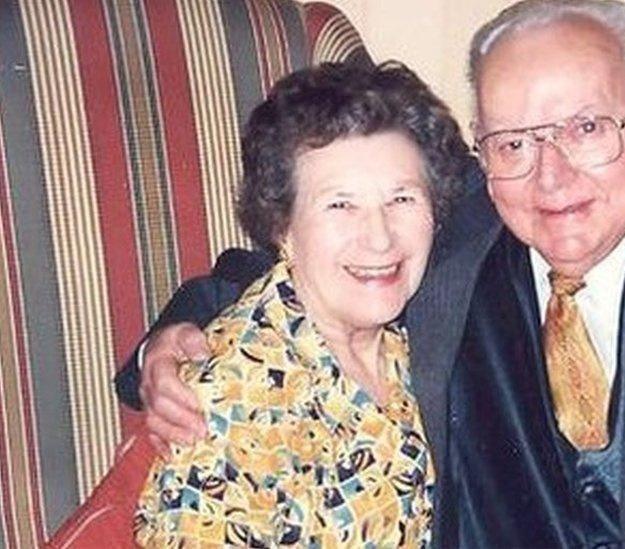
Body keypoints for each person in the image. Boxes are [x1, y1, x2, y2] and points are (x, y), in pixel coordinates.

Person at [117, 1, 625, 546]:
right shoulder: (449, 221)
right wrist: (167, 347)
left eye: (587, 128)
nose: (548, 178)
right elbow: (286, 262)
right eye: (514, 141)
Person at [131, 60, 468, 547]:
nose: (380, 238)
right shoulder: (228, 402)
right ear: (281, 226)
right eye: (340, 204)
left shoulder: (406, 339)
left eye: (402, 199)